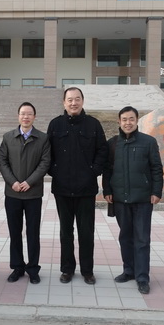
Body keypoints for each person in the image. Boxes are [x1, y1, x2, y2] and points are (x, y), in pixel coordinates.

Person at [47, 87, 107, 285]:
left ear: (82, 101)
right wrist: (55, 171)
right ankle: (67, 269)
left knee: (86, 232)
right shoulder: (55, 124)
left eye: (77, 99)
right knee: (66, 232)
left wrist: (93, 171)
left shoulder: (93, 124)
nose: (74, 103)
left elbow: (102, 151)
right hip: (62, 188)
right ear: (64, 102)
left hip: (86, 189)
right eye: (70, 99)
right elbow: (47, 153)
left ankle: (87, 271)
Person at [102, 106, 163, 294]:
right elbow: (107, 169)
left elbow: (156, 168)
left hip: (143, 199)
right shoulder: (113, 143)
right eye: (124, 119)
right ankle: (128, 270)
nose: (128, 123)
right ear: (119, 122)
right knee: (125, 236)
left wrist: (156, 191)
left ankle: (142, 277)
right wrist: (107, 190)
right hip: (120, 199)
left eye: (131, 119)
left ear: (137, 121)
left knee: (142, 238)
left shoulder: (148, 142)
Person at [0, 102, 51, 285]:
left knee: (33, 233)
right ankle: (17, 267)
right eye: (22, 113)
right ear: (18, 116)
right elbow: (2, 161)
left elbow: (45, 163)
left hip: (33, 194)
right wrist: (13, 182)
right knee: (15, 232)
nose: (26, 117)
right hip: (12, 194)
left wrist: (29, 182)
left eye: (29, 114)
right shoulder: (8, 137)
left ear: (34, 117)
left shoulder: (43, 138)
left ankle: (33, 269)